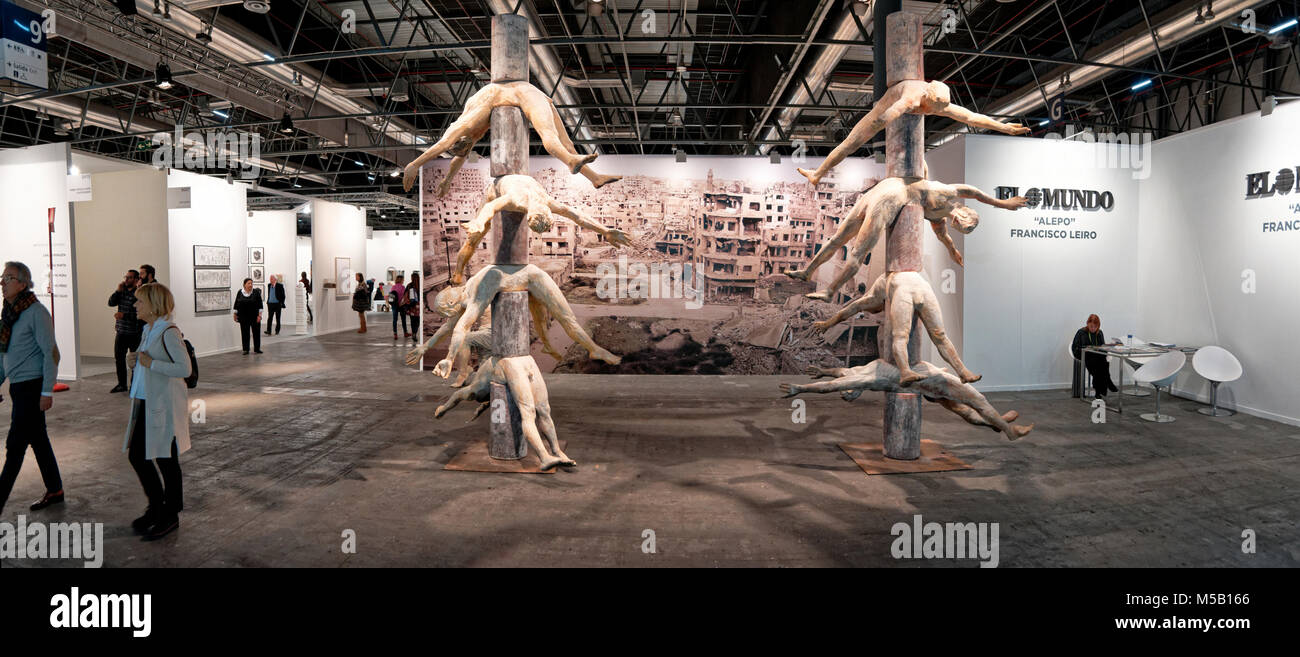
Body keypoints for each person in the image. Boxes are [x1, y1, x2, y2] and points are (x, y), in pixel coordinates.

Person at [796, 79, 1031, 186]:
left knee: (922, 170)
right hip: (883, 111)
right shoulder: (911, 98)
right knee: (851, 142)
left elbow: (971, 116)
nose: (929, 111)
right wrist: (874, 129)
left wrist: (1005, 127)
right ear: (926, 97)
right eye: (929, 108)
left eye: (934, 110)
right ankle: (818, 174)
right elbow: (885, 117)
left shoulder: (939, 100)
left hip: (909, 128)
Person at [401, 80, 617, 193]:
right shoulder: (468, 139)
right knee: (557, 138)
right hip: (521, 94)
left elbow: (443, 144)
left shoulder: (464, 124)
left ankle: (580, 168)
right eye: (466, 148)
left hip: (522, 91)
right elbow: (459, 157)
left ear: (460, 139)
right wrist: (448, 180)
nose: (466, 146)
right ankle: (590, 175)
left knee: (561, 140)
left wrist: (414, 164)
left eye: (463, 145)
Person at [122, 282, 191, 540]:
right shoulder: (148, 329)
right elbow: (146, 362)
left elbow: (185, 369)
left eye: (140, 301)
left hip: (162, 406)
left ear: (153, 304)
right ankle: (157, 507)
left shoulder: (169, 331)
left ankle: (169, 514)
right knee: (138, 456)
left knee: (165, 459)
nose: (135, 305)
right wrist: (136, 363)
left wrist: (150, 362)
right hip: (144, 401)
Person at [0, 261, 65, 516]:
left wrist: (47, 391)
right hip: (18, 387)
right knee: (38, 440)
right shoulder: (9, 314)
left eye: (8, 278)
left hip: (32, 387)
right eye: (2, 277)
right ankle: (55, 489)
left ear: (23, 283)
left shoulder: (37, 312)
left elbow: (51, 353)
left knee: (15, 447)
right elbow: (4, 356)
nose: (3, 283)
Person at [108, 269, 144, 393]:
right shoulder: (122, 292)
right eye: (126, 277)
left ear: (135, 279)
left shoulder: (139, 293)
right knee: (119, 359)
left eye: (129, 277)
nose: (126, 280)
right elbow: (111, 303)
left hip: (134, 333)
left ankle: (134, 384)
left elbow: (140, 315)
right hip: (121, 332)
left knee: (135, 360)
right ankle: (121, 384)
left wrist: (124, 316)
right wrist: (118, 291)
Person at [1072, 314, 1121, 399]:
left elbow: (1102, 346)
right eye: (1091, 326)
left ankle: (1099, 392)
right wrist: (1086, 348)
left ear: (1098, 326)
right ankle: (1106, 384)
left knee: (1103, 362)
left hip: (1097, 356)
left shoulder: (1099, 332)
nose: (1093, 329)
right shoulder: (1081, 332)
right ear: (1087, 323)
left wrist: (1109, 346)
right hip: (1085, 355)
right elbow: (1075, 347)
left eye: (1095, 326)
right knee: (1100, 366)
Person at [232, 278, 263, 355]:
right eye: (248, 283)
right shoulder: (240, 292)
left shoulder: (256, 292)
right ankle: (246, 349)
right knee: (245, 333)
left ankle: (257, 348)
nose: (250, 285)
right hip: (243, 316)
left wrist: (259, 315)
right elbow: (236, 303)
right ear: (244, 284)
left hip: (254, 316)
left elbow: (260, 305)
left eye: (251, 283)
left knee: (256, 333)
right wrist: (235, 314)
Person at [389, 275, 409, 339]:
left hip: (394, 305)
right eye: (403, 279)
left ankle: (395, 334)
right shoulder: (403, 287)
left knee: (395, 320)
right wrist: (402, 303)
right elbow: (404, 297)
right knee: (403, 320)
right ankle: (405, 333)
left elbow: (391, 297)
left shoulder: (393, 287)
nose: (403, 280)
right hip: (401, 305)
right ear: (401, 280)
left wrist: (392, 304)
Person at [404, 271, 421, 342]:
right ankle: (415, 333)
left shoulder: (409, 285)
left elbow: (405, 295)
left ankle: (414, 333)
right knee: (418, 321)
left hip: (411, 306)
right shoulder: (420, 285)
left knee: (412, 321)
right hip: (419, 306)